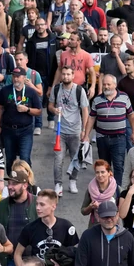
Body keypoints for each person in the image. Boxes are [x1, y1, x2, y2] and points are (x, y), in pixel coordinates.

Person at [14, 189, 79, 266]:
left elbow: (76, 255)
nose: (37, 208)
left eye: (42, 204)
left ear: (53, 206)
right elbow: (17, 254)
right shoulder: (30, 228)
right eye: (37, 204)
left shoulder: (66, 227)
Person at [84, 74, 134, 186]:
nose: (106, 87)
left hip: (119, 138)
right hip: (102, 138)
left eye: (108, 84)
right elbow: (92, 117)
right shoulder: (97, 100)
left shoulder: (124, 97)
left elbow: (131, 115)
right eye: (104, 84)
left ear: (115, 85)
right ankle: (106, 190)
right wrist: (86, 135)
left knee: (118, 166)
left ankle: (118, 191)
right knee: (104, 167)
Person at [48, 66, 90, 194]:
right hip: (60, 131)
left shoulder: (79, 90)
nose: (65, 77)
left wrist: (84, 130)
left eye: (68, 74)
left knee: (75, 159)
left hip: (75, 130)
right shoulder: (56, 89)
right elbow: (50, 105)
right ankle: (58, 184)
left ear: (73, 75)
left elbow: (85, 110)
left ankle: (73, 181)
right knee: (58, 160)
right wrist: (54, 110)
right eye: (64, 74)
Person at [0, 68, 41, 164]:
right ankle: (11, 174)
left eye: (18, 77)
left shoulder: (31, 92)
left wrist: (27, 109)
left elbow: (39, 111)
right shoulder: (5, 90)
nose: (15, 79)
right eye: (14, 76)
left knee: (25, 158)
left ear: (24, 77)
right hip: (8, 130)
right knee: (10, 159)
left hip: (25, 130)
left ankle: (26, 174)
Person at [82, 160, 119, 227]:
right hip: (95, 226)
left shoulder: (117, 189)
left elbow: (123, 212)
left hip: (112, 227)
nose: (100, 175)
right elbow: (83, 211)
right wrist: (90, 207)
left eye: (103, 172)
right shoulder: (91, 189)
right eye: (97, 172)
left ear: (109, 173)